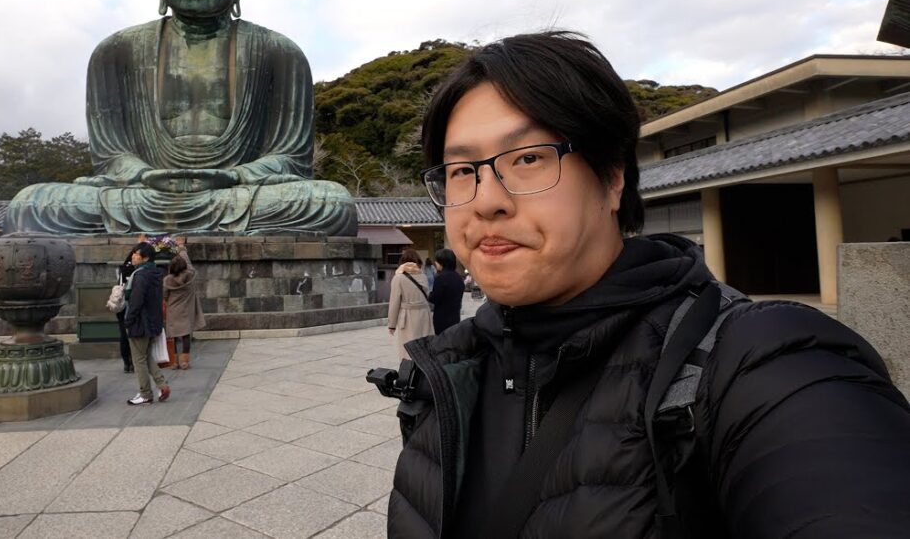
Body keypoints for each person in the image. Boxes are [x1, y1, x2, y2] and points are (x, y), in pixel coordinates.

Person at [384, 31, 910, 538]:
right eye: (461, 171)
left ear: (613, 178)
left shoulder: (759, 361)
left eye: (527, 158)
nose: (485, 201)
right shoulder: (449, 366)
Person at [4, 0, 357, 236]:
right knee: (31, 205)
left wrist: (234, 176)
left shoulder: (278, 52)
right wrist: (143, 175)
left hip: (239, 193)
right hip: (145, 194)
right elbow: (111, 156)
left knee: (330, 203)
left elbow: (290, 158)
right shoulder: (115, 52)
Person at [123, 242, 169, 405]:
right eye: (133, 253)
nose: (133, 257)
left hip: (140, 322)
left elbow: (136, 300)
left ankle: (145, 394)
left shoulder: (141, 275)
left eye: (136, 254)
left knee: (139, 360)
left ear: (146, 258)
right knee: (146, 355)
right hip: (152, 321)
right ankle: (162, 385)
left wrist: (128, 320)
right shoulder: (155, 273)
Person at [163, 236, 206, 370]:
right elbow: (186, 261)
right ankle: (185, 361)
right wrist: (181, 247)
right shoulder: (190, 275)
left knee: (173, 336)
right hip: (186, 310)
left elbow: (165, 295)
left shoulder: (168, 280)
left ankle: (174, 361)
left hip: (173, 310)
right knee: (186, 335)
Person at [387, 248, 433, 361]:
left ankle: (409, 369)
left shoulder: (398, 278)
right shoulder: (423, 276)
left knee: (409, 349)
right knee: (425, 346)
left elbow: (394, 302)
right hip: (424, 315)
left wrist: (392, 325)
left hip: (408, 317)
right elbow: (427, 294)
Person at [427, 248, 463, 335]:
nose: (435, 263)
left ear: (442, 262)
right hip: (455, 316)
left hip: (442, 318)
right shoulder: (458, 277)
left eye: (437, 261)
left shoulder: (440, 278)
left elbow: (435, 298)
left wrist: (429, 295)